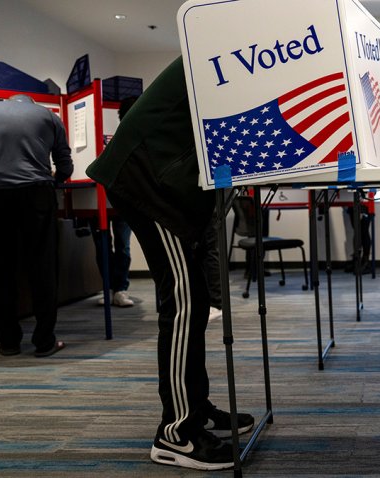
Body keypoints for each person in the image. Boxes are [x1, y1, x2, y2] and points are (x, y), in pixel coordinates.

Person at [86, 57, 254, 470]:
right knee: (183, 304)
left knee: (192, 303)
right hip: (151, 182)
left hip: (166, 179)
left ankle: (194, 406)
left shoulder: (244, 42)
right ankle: (177, 432)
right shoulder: (235, 39)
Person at [0, 94, 73, 358]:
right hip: (35, 192)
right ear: (32, 103)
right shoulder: (50, 117)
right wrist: (54, 179)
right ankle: (44, 342)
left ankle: (8, 343)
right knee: (43, 265)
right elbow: (65, 165)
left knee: (0, 267)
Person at [94, 96, 140, 308]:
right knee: (103, 247)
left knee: (122, 246)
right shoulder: (108, 135)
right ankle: (109, 288)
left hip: (121, 198)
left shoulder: (129, 135)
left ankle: (120, 289)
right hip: (97, 200)